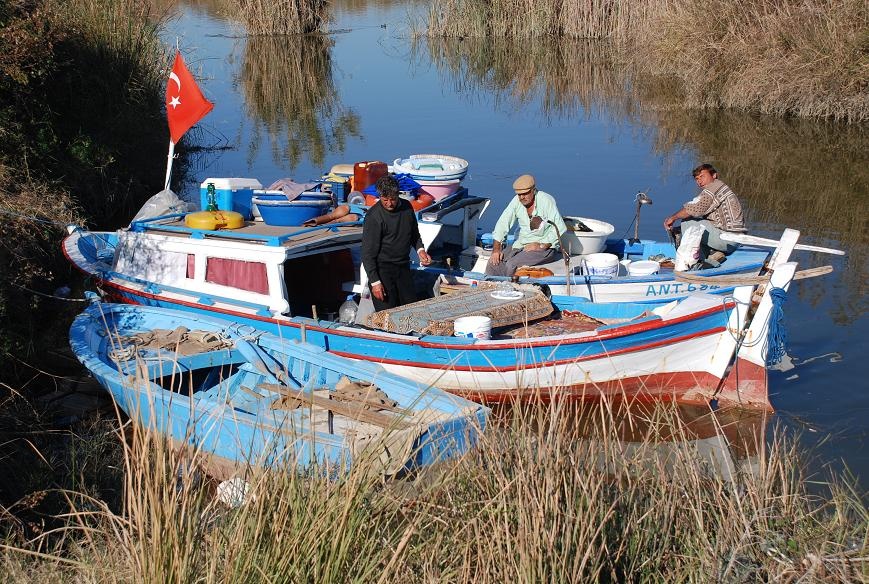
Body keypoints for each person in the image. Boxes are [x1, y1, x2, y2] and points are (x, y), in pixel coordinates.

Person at [361, 175, 432, 311]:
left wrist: (420, 250)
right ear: (380, 196)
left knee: (410, 309)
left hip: (403, 268)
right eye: (385, 200)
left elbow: (414, 235)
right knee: (387, 315)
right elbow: (367, 254)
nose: (389, 203)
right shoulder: (374, 217)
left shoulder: (407, 208)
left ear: (398, 194)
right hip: (382, 271)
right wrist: (375, 282)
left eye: (392, 199)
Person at [663, 163, 747, 269]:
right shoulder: (718, 188)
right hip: (734, 239)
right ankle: (712, 256)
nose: (699, 181)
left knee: (688, 222)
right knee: (693, 225)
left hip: (729, 240)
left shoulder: (715, 188)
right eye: (697, 179)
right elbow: (697, 208)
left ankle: (693, 263)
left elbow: (695, 208)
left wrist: (673, 218)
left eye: (702, 176)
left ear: (714, 175)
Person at [485, 174, 568, 277]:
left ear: (533, 190)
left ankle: (509, 288)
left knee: (512, 264)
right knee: (493, 263)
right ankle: (492, 287)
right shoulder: (516, 201)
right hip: (521, 244)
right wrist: (496, 250)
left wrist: (541, 245)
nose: (522, 197)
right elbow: (503, 223)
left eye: (525, 193)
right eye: (519, 194)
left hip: (544, 248)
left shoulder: (546, 200)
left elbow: (560, 227)